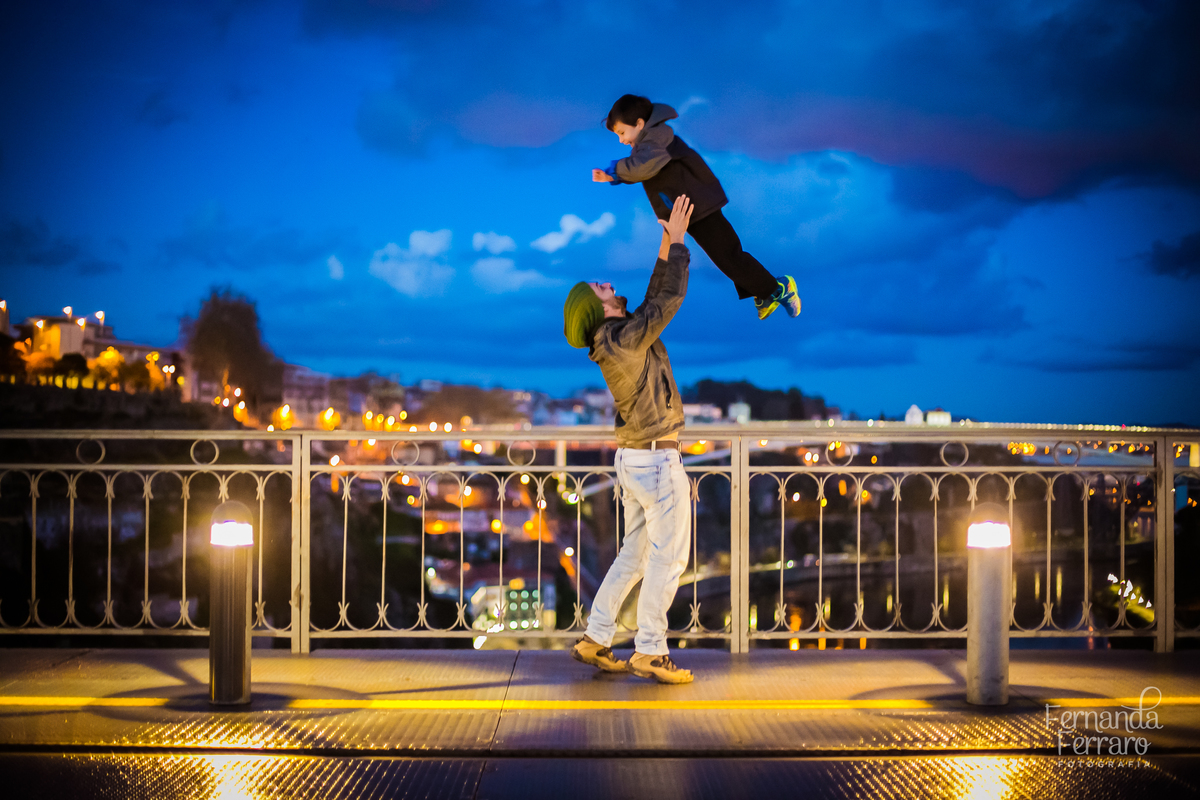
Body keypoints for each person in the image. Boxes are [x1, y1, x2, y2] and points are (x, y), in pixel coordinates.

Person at [562, 193, 696, 685]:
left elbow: (650, 303)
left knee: (635, 556)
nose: (608, 284)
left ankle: (597, 638)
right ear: (598, 309)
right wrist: (678, 242)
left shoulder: (617, 338)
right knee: (669, 557)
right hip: (658, 463)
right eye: (600, 288)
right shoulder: (622, 339)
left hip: (636, 462)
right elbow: (667, 302)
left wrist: (665, 245)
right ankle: (651, 651)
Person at [593, 94, 801, 322]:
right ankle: (764, 292)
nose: (621, 140)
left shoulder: (656, 138)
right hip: (690, 207)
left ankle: (778, 288)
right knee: (724, 257)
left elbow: (645, 167)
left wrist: (613, 172)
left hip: (699, 203)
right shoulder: (647, 143)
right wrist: (615, 176)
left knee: (728, 254)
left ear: (640, 124)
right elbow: (642, 167)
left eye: (622, 133)